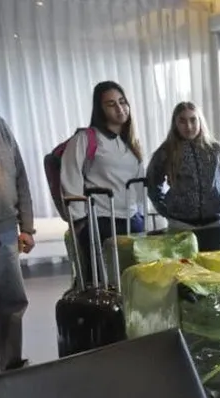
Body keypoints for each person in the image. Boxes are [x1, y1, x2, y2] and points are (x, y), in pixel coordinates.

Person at [0, 54, 32, 375]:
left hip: (6, 230)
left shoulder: (1, 126)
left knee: (13, 302)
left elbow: (20, 177)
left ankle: (12, 368)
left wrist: (27, 227)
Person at [60, 81, 144, 280]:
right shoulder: (86, 139)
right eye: (111, 104)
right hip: (102, 222)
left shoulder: (130, 143)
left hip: (132, 221)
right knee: (104, 283)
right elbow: (70, 177)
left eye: (122, 102)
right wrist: (79, 222)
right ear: (100, 109)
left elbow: (139, 184)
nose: (120, 108)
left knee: (133, 282)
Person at [145, 102, 220, 252]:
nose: (188, 126)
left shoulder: (216, 150)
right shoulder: (166, 152)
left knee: (213, 273)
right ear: (175, 123)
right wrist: (165, 209)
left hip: (215, 226)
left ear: (200, 120)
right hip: (180, 227)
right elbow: (152, 183)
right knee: (183, 272)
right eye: (182, 121)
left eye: (193, 120)